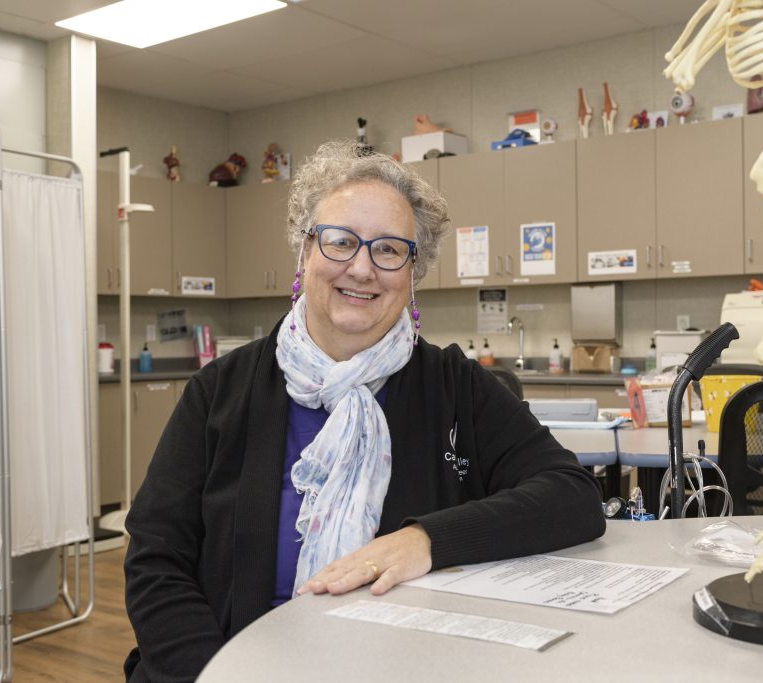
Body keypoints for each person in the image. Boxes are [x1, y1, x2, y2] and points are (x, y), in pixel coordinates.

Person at [123, 140, 606, 682]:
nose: (362, 267)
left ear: (412, 272)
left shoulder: (454, 386)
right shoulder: (219, 392)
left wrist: (424, 540)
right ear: (303, 252)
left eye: (389, 249)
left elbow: (572, 496)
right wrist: (215, 675)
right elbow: (156, 559)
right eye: (340, 241)